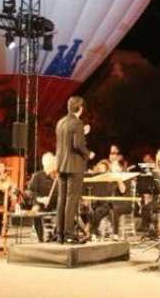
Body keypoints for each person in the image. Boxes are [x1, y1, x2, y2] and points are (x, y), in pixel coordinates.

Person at [55, 95, 93, 244]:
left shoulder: (60, 122)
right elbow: (77, 145)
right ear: (81, 108)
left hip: (61, 165)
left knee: (61, 199)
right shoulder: (77, 123)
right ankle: (69, 234)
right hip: (74, 165)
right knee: (71, 200)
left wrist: (82, 132)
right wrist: (88, 153)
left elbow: (67, 141)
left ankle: (60, 234)